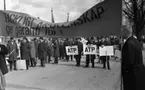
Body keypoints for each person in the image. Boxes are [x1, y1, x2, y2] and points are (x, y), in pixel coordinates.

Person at [121, 25, 145, 90]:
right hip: (139, 72)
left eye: (122, 32)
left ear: (125, 32)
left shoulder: (129, 43)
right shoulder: (134, 40)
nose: (121, 33)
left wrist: (123, 68)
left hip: (132, 75)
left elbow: (129, 61)